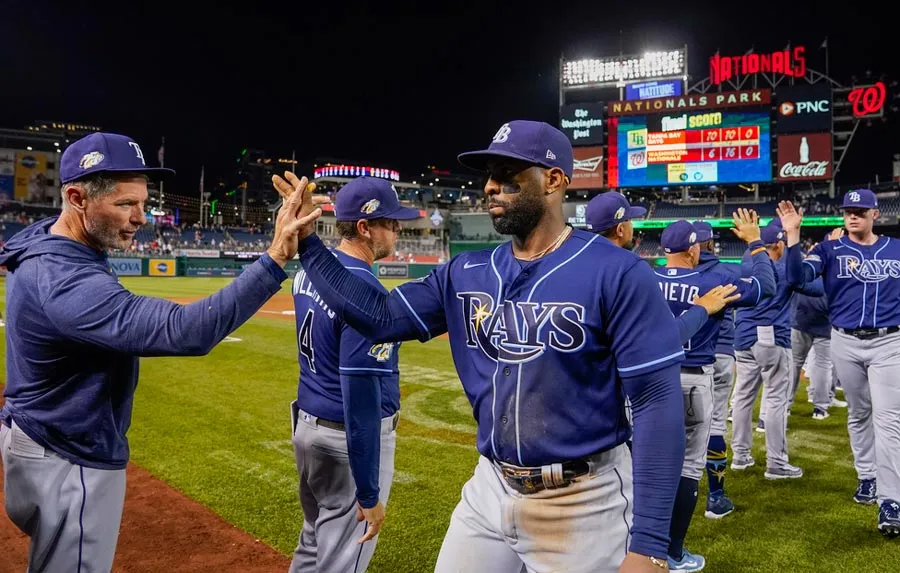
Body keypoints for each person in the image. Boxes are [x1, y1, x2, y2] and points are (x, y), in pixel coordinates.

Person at [279, 120, 689, 572]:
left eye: (508, 173)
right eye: (490, 174)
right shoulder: (465, 272)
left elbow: (656, 400)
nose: (491, 185)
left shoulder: (617, 272)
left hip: (584, 497)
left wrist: (650, 546)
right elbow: (377, 317)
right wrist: (309, 244)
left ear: (553, 180)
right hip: (490, 485)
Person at [0, 131, 323, 572]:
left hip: (37, 435)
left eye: (143, 203)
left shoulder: (48, 240)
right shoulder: (63, 280)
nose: (140, 218)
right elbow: (185, 331)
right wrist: (274, 258)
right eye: (125, 204)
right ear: (76, 198)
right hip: (68, 455)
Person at [289, 177, 421, 572]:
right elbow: (361, 399)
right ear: (364, 227)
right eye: (390, 223)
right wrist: (368, 492)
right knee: (342, 561)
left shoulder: (312, 271)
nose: (397, 230)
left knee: (312, 544)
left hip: (308, 428)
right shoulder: (364, 291)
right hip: (345, 442)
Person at [654, 216, 776, 571]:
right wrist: (754, 242)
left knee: (642, 462)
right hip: (695, 377)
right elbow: (766, 287)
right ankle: (674, 553)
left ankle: (636, 544)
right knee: (689, 466)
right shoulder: (714, 280)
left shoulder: (646, 278)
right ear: (694, 249)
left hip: (651, 379)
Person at [778, 191, 900, 537]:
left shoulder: (895, 249)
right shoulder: (829, 250)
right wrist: (793, 236)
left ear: (875, 214)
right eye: (849, 211)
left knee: (889, 420)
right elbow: (796, 278)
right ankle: (867, 476)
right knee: (859, 413)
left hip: (889, 342)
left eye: (860, 211)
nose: (853, 216)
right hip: (844, 340)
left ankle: (891, 500)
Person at [730, 220, 822, 482]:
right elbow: (815, 288)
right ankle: (777, 463)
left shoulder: (748, 260)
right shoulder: (783, 268)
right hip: (770, 335)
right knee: (775, 400)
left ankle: (740, 456)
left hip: (742, 335)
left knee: (742, 397)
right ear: (780, 244)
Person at [692, 220, 742, 519]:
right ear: (710, 243)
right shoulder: (726, 273)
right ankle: (716, 497)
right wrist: (755, 245)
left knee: (675, 427)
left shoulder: (670, 274)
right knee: (715, 425)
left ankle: (668, 493)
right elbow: (767, 287)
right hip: (719, 352)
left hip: (679, 356)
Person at [788, 230, 848, 421]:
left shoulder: (812, 260)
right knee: (822, 365)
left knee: (794, 365)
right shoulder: (841, 264)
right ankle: (820, 408)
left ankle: (786, 406)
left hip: (802, 319)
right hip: (823, 322)